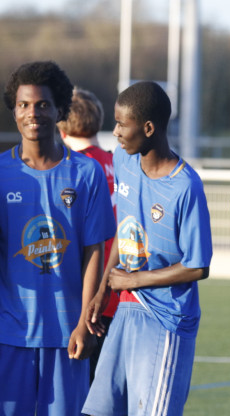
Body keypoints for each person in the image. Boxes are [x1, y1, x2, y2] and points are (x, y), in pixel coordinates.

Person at [82, 81, 212, 416]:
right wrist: (104, 290)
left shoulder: (186, 186)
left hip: (166, 319)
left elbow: (198, 266)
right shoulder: (123, 162)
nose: (115, 132)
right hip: (125, 310)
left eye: (122, 124)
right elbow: (124, 230)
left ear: (149, 128)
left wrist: (133, 280)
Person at [0, 61, 116, 415]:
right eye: (23, 104)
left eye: (43, 104)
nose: (32, 113)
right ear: (13, 110)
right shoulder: (2, 173)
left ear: (60, 110)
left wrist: (85, 322)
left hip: (69, 334)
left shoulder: (86, 172)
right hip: (10, 334)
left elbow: (94, 252)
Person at [57, 87, 119, 382]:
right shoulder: (118, 162)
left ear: (61, 128)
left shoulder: (73, 170)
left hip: (87, 297)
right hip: (122, 292)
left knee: (80, 390)